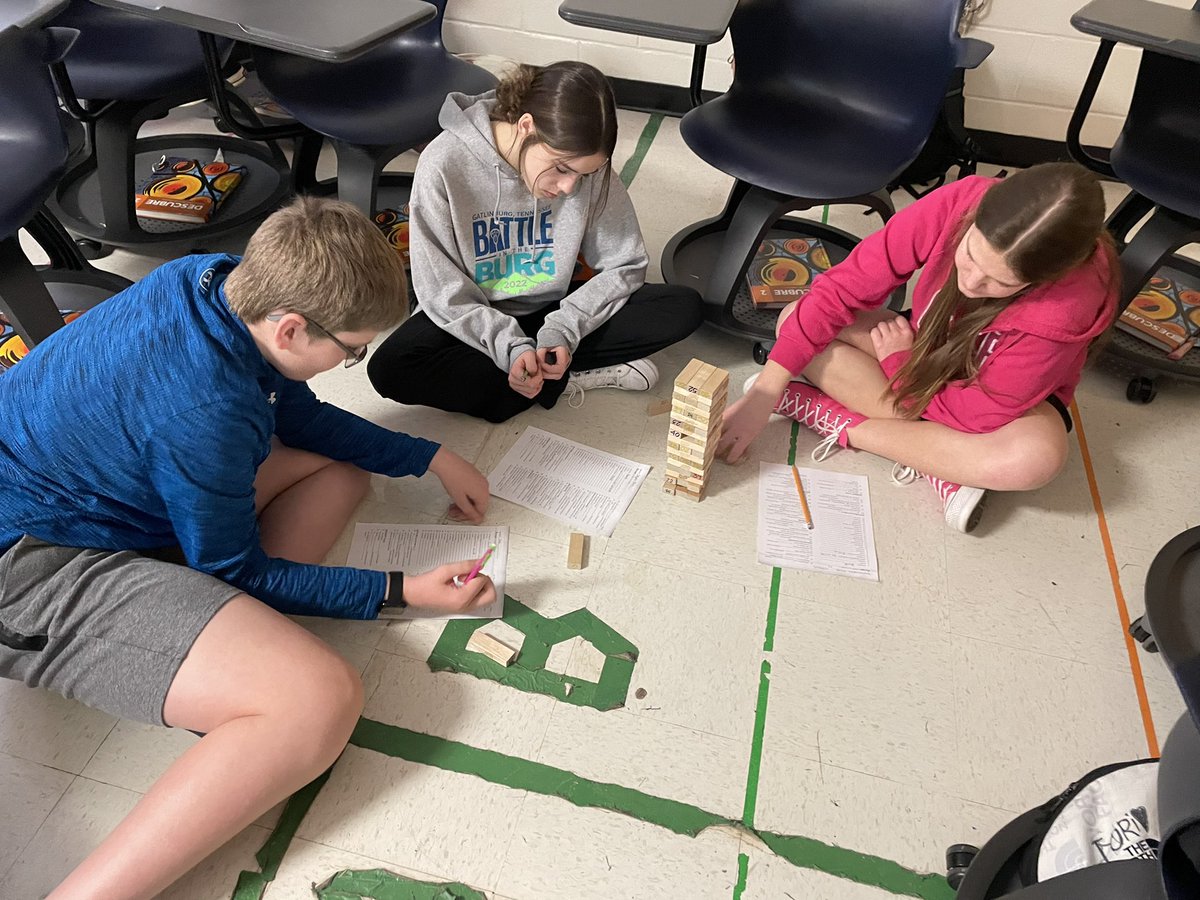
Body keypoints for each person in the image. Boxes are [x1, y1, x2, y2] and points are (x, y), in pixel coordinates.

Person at [0, 197, 497, 898]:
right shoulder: (207, 410)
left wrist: (429, 455)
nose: (351, 361)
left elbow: (295, 412)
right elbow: (235, 569)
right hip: (27, 565)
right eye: (352, 351)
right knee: (318, 700)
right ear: (292, 327)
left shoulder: (215, 280)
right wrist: (398, 591)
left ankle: (214, 644)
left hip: (82, 493)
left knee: (336, 474)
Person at [720, 163, 1118, 533]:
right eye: (970, 253)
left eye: (999, 282)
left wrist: (900, 364)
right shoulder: (963, 199)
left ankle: (845, 424)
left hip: (977, 397)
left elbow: (978, 413)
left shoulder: (1066, 310)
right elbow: (840, 289)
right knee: (796, 318)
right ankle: (942, 460)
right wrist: (764, 392)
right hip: (923, 349)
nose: (971, 282)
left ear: (1046, 279)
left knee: (1035, 458)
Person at [367, 60, 704, 423]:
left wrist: (563, 330)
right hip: (479, 311)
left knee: (681, 307)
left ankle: (541, 366)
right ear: (525, 125)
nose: (569, 188)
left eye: (585, 174)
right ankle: (558, 372)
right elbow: (441, 291)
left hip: (558, 303)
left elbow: (625, 263)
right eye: (561, 168)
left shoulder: (585, 166)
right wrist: (508, 346)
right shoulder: (444, 163)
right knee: (391, 369)